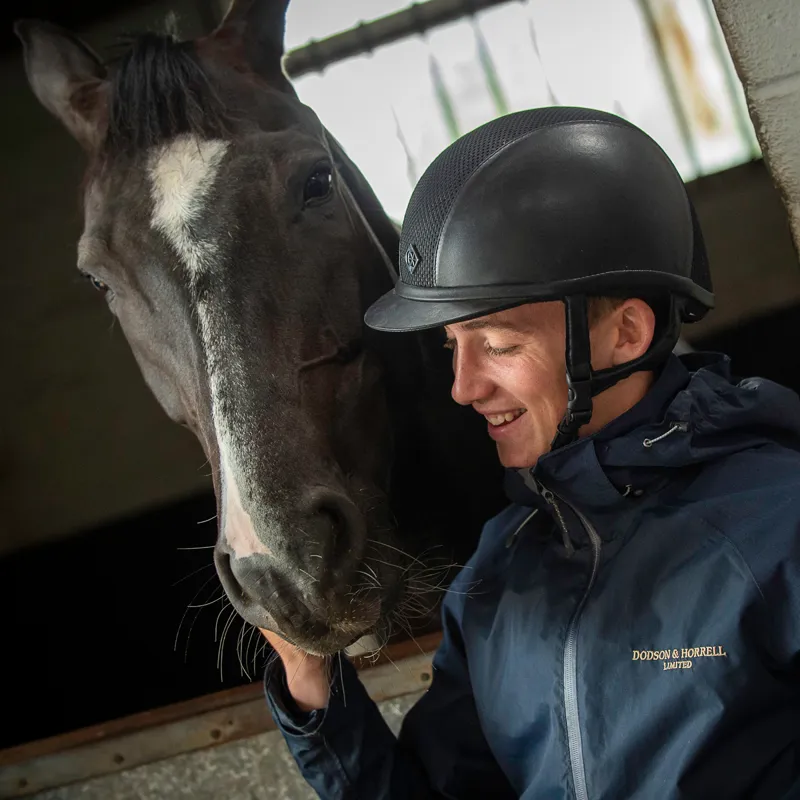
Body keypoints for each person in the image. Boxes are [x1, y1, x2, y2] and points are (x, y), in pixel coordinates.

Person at [260, 107, 800, 799]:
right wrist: (314, 698)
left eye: (501, 345)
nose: (464, 387)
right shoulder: (497, 574)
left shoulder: (779, 522)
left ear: (626, 332)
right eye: (453, 346)